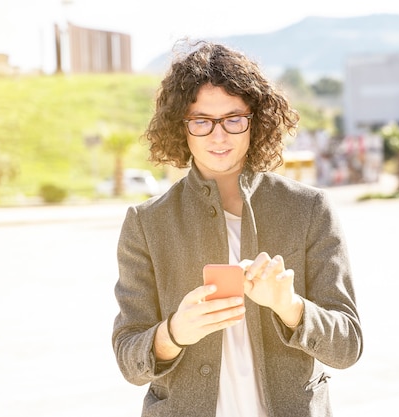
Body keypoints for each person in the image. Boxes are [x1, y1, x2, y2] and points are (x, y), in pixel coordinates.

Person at [112, 40, 362, 417]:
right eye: (201, 121)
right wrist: (175, 332)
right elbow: (129, 359)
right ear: (181, 127)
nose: (219, 135)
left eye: (233, 118)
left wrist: (289, 306)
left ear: (254, 120)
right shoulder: (146, 223)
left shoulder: (309, 209)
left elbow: (347, 347)